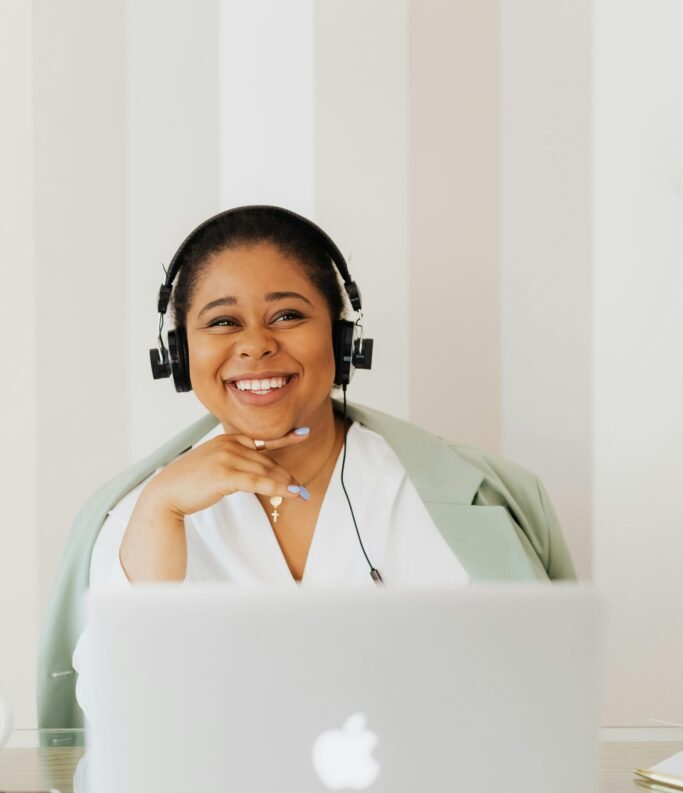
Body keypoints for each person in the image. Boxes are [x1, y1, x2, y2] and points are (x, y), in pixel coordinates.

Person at [37, 204, 576, 730]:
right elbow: (112, 736)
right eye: (222, 322)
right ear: (179, 356)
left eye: (288, 315)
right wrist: (159, 512)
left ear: (343, 342)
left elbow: (536, 706)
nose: (255, 345)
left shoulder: (464, 501)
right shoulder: (136, 515)